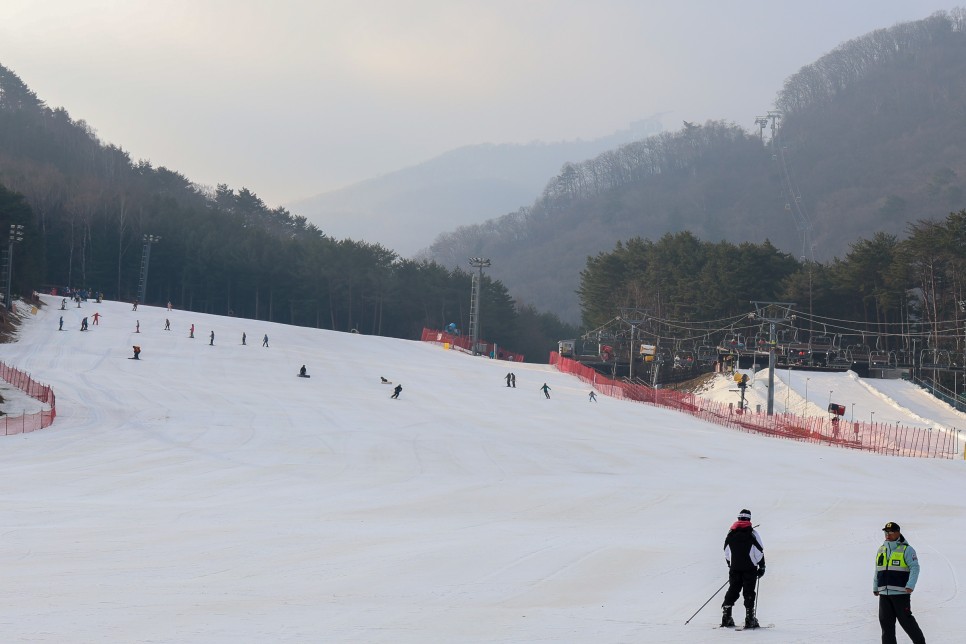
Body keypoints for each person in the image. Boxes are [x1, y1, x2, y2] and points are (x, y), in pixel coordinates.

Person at [874, 521, 926, 644]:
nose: (888, 534)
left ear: (898, 533)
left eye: (891, 532)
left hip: (901, 594)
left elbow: (915, 567)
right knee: (886, 626)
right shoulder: (881, 549)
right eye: (886, 532)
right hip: (884, 595)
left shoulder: (907, 549)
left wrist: (910, 585)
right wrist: (875, 586)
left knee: (907, 622)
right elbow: (877, 569)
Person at [721, 509, 765, 629]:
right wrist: (762, 566)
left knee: (733, 590)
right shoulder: (753, 533)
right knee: (749, 592)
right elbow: (759, 551)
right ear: (749, 519)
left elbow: (726, 551)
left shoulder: (731, 533)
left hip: (735, 568)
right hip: (750, 568)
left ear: (738, 519)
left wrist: (731, 564)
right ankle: (750, 619)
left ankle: (726, 617)